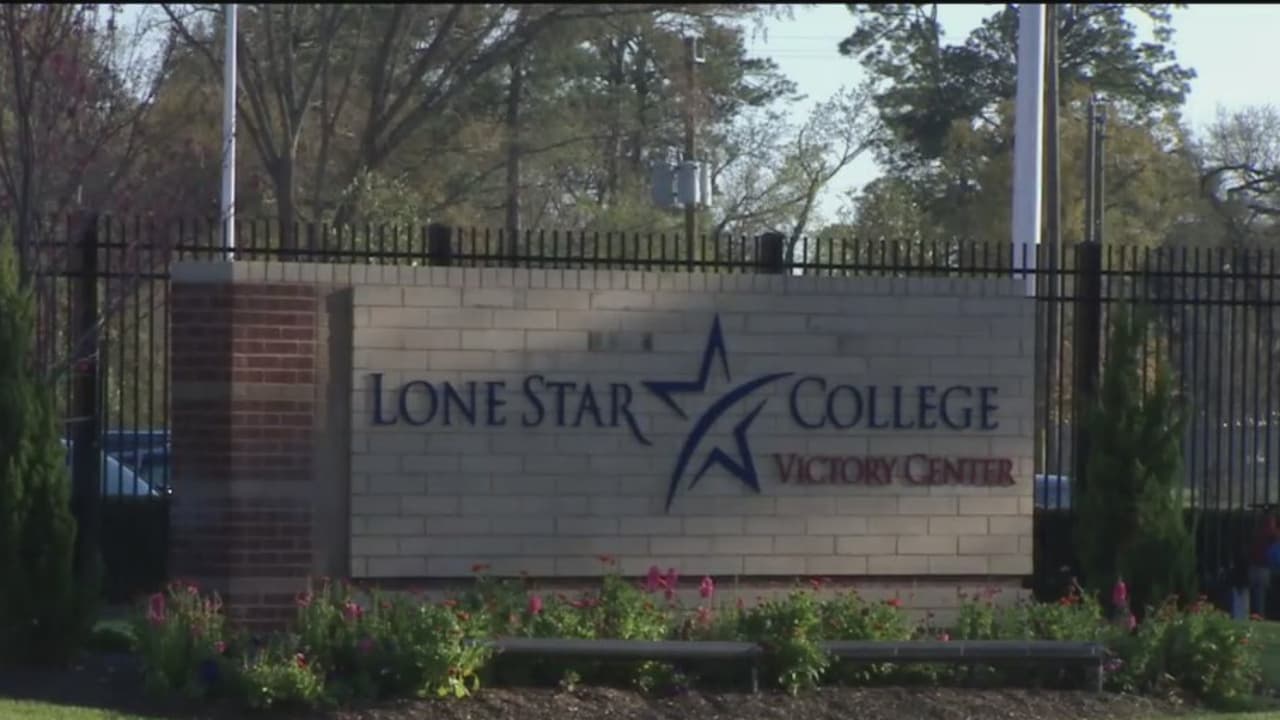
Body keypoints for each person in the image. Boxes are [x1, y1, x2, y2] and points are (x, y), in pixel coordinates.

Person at [1250, 511, 1279, 618]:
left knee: (1257, 594)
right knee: (1260, 594)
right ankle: (1259, 614)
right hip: (1264, 568)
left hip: (1258, 567)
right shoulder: (1271, 534)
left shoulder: (1257, 534)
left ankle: (1257, 614)